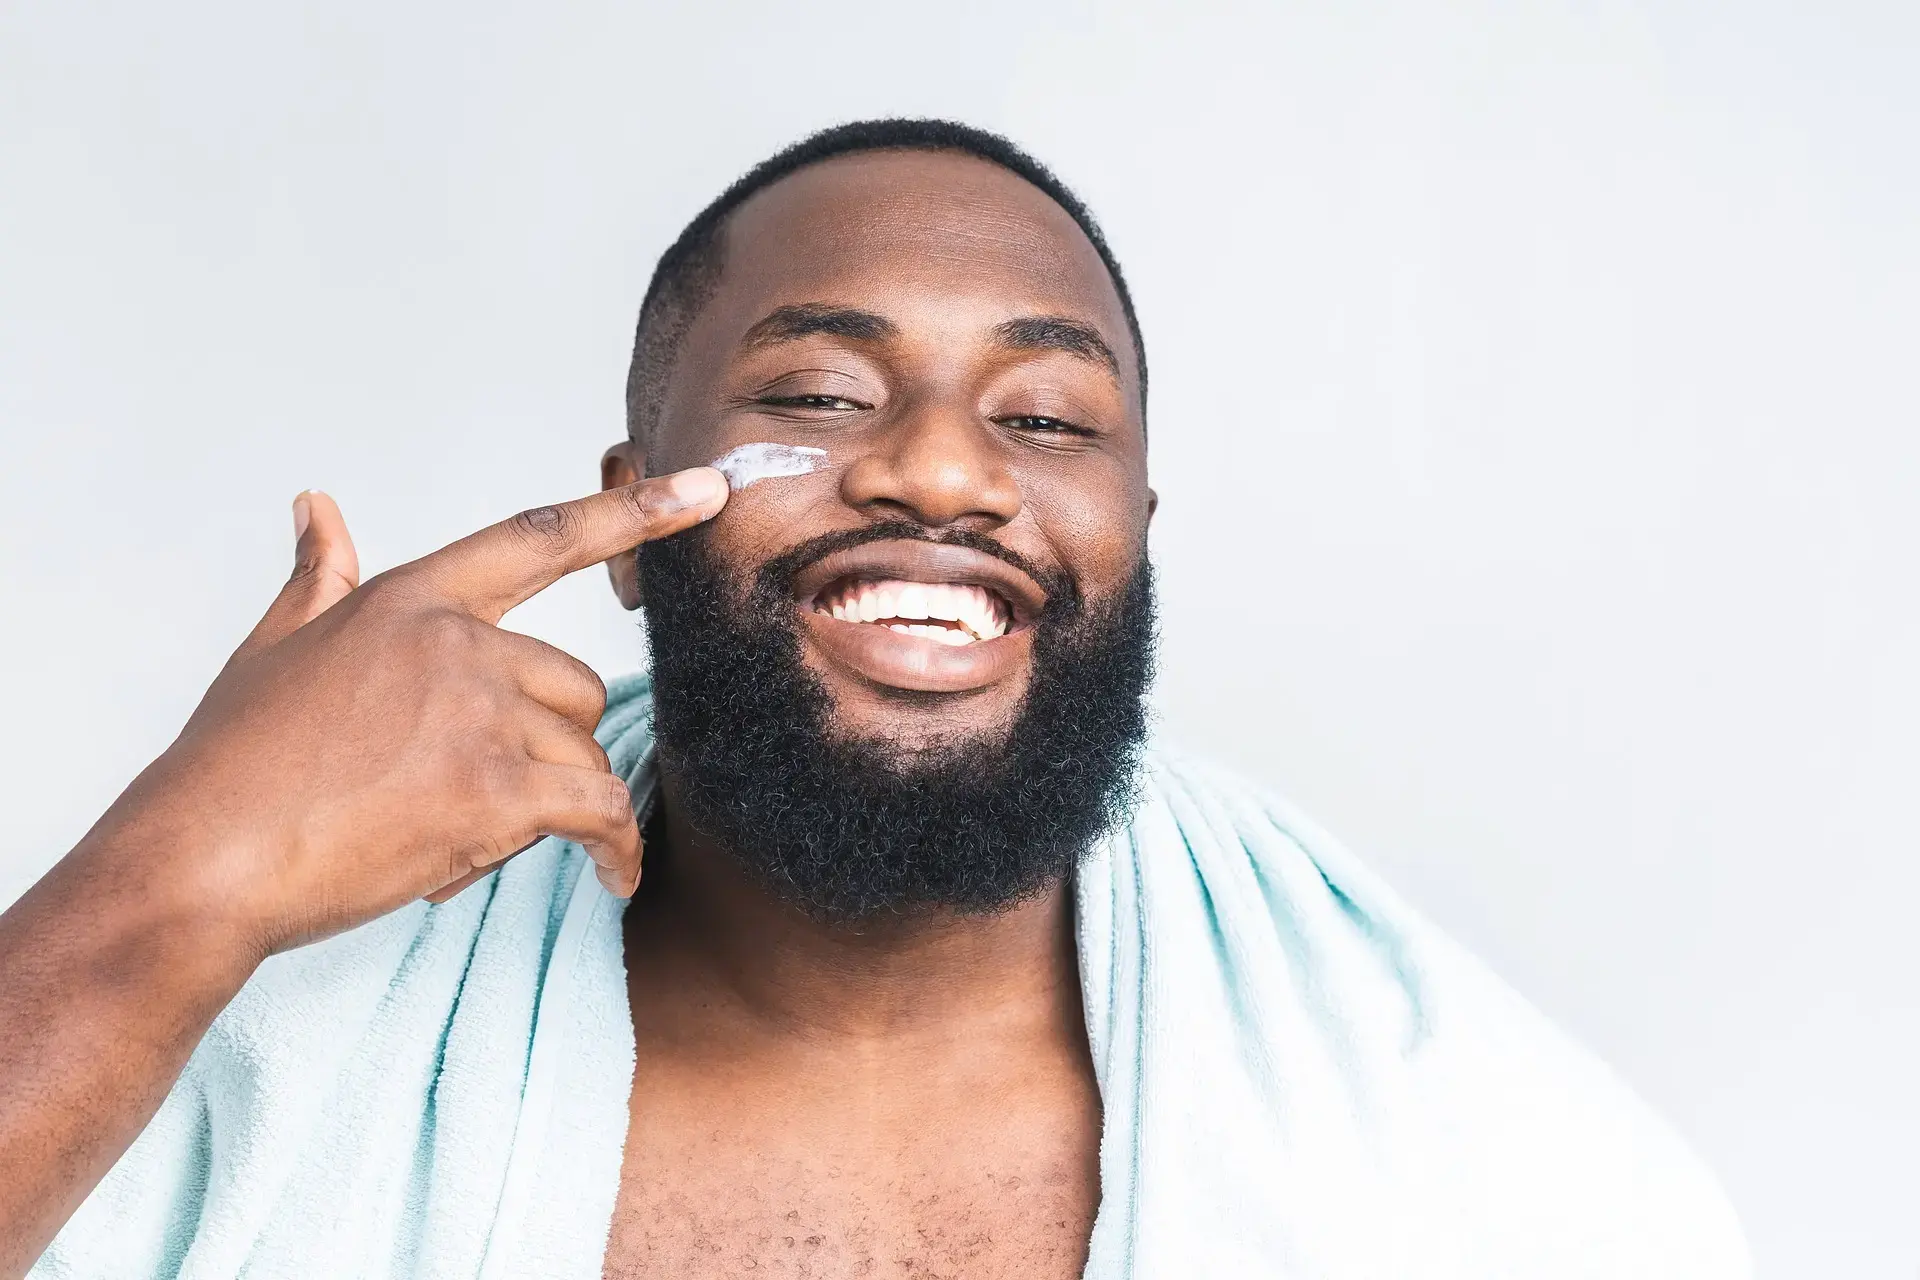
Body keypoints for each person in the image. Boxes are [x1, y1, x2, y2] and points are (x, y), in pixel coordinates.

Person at [0, 119, 1748, 1279]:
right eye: (822, 396)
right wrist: (177, 872)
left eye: (1046, 421)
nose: (942, 471)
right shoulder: (244, 1038)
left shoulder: (1482, 1156)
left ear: (1134, 531)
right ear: (633, 516)